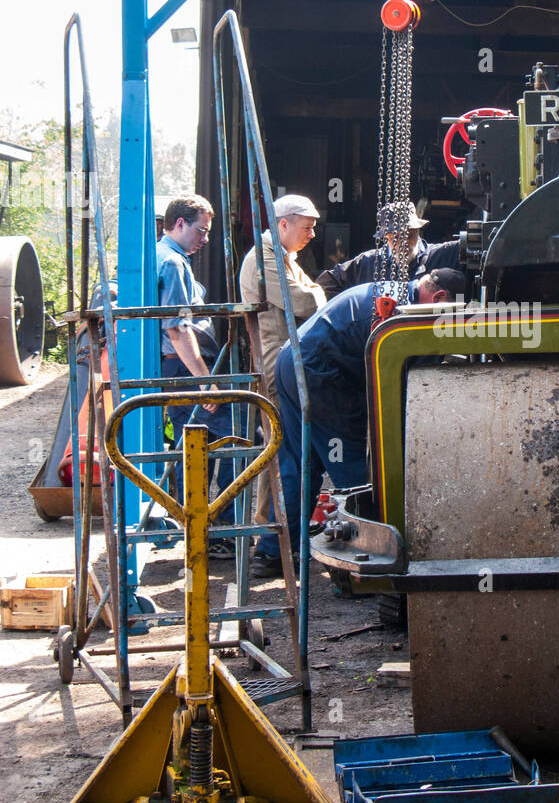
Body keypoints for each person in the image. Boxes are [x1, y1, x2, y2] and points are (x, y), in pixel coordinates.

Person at [252, 267, 467, 578]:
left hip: (294, 361)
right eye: (447, 313)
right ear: (439, 298)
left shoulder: (391, 290)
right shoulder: (400, 311)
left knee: (300, 465)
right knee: (350, 469)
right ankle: (365, 554)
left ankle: (273, 553)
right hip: (319, 376)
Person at [238, 194, 326, 527]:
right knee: (279, 447)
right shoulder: (266, 257)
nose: (312, 235)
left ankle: (273, 528)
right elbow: (305, 300)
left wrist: (315, 292)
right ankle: (271, 531)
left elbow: (312, 293)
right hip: (275, 363)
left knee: (280, 447)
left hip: (284, 360)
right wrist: (316, 293)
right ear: (284, 224)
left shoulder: (284, 255)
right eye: (307, 227)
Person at [156, 195, 235, 558]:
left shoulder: (166, 257)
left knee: (197, 443)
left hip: (179, 369)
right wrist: (206, 382)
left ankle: (198, 524)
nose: (204, 239)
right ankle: (215, 529)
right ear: (179, 224)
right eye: (201, 230)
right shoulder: (172, 263)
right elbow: (178, 329)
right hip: (184, 369)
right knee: (232, 435)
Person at [316, 201, 461, 300]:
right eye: (395, 238)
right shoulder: (367, 262)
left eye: (408, 235)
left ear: (418, 231)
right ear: (386, 237)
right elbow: (327, 283)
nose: (403, 243)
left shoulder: (443, 254)